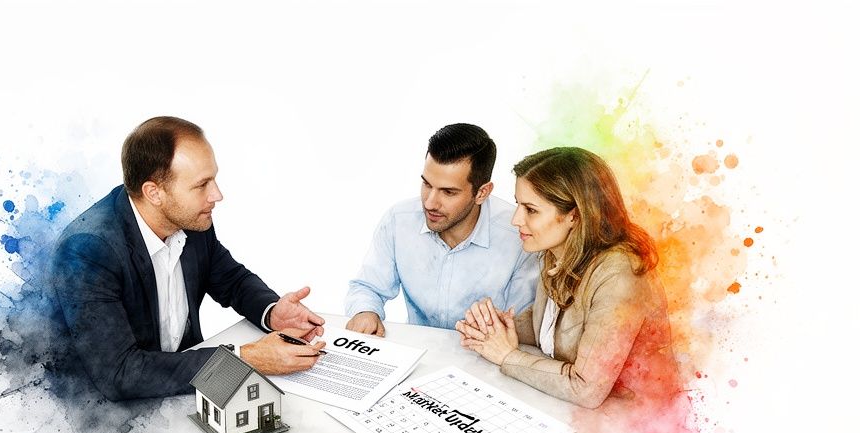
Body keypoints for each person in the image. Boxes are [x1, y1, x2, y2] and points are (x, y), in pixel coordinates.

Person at [51, 116, 326, 402]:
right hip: (105, 417)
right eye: (201, 185)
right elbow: (121, 374)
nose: (217, 195)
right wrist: (246, 359)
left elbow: (231, 280)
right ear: (154, 192)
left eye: (214, 179)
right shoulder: (88, 250)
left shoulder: (191, 220)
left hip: (182, 394)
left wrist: (271, 312)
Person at [455, 147, 679, 410]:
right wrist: (495, 328)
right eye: (518, 204)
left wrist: (507, 356)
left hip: (635, 423)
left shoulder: (621, 274)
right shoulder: (557, 251)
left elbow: (586, 388)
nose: (516, 220)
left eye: (531, 210)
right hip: (575, 415)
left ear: (574, 215)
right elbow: (550, 325)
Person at [344, 123, 538, 336]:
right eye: (427, 184)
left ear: (482, 193)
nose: (430, 203)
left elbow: (521, 324)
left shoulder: (519, 236)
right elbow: (368, 286)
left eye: (448, 192)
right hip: (420, 356)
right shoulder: (399, 221)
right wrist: (365, 312)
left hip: (485, 360)